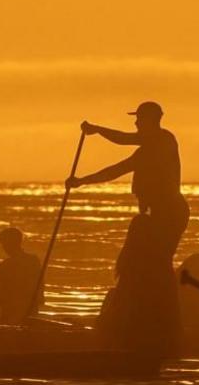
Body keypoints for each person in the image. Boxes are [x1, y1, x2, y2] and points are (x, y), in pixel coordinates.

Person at [70, 101, 187, 357]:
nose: (135, 123)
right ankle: (147, 319)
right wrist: (81, 182)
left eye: (139, 119)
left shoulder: (163, 141)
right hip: (154, 215)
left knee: (157, 266)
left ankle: (161, 324)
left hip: (168, 214)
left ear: (150, 119)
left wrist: (97, 130)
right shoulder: (146, 150)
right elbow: (116, 170)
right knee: (149, 267)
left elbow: (123, 140)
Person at [0, 227, 42, 325]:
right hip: (32, 312)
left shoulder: (4, 267)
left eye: (4, 244)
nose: (3, 247)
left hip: (12, 315)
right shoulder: (34, 260)